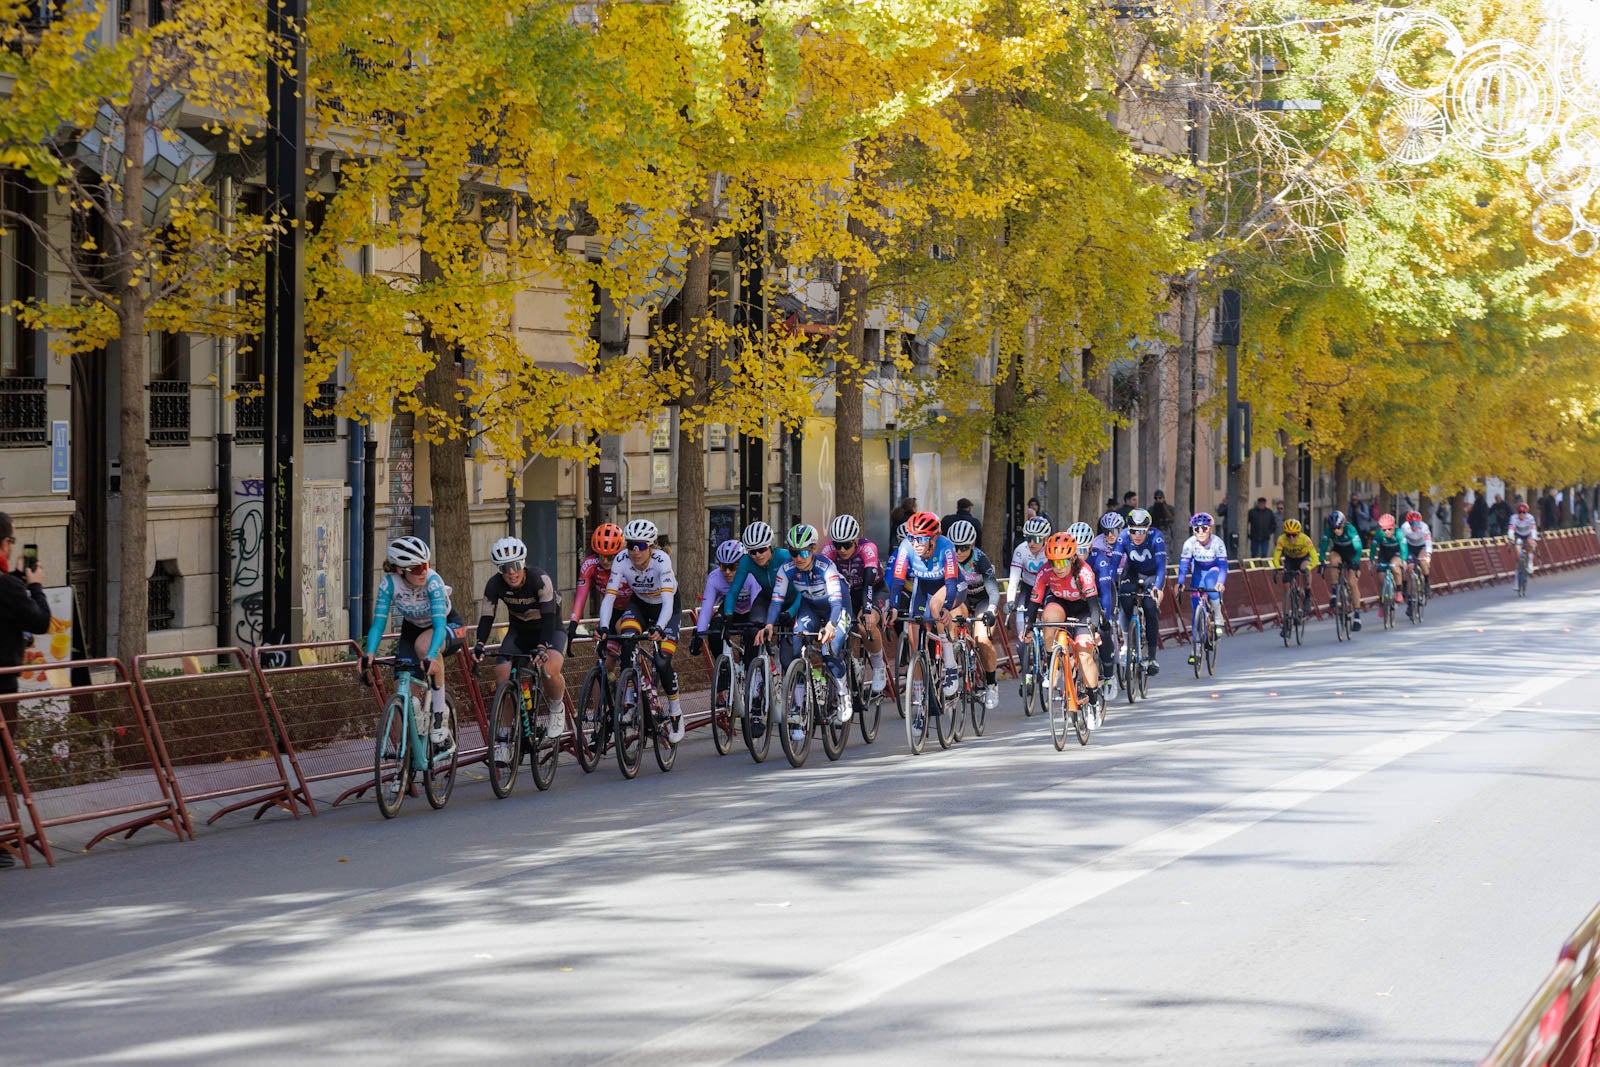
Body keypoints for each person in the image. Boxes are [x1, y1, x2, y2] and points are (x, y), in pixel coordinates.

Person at [361, 535, 463, 759]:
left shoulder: (433, 581)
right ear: (400, 569)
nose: (423, 571)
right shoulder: (390, 583)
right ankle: (404, 759)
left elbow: (438, 626)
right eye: (416, 568)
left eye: (425, 565)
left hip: (446, 626)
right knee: (402, 690)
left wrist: (430, 656)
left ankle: (439, 716)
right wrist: (369, 653)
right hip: (412, 628)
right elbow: (378, 624)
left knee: (425, 645)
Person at [473, 538, 567, 759]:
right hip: (520, 632)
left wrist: (543, 646)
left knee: (549, 670)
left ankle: (556, 707)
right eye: (505, 568)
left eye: (515, 566)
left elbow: (549, 616)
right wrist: (479, 643)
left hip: (549, 629)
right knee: (502, 677)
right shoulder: (494, 584)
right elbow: (487, 617)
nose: (511, 572)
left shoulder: (540, 579)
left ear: (523, 564)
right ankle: (505, 738)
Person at [596, 519, 686, 742]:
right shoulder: (621, 560)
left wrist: (659, 627)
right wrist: (604, 626)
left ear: (652, 546)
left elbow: (667, 602)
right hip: (640, 605)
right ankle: (628, 698)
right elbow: (609, 597)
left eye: (642, 546)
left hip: (667, 608)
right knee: (626, 638)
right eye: (631, 545)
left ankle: (675, 711)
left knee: (663, 660)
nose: (635, 551)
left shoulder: (661, 560)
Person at [760, 524, 852, 739]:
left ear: (813, 549)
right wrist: (769, 624)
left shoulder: (826, 566)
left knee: (830, 649)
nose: (798, 558)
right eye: (793, 553)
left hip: (837, 605)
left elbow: (837, 602)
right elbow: (776, 601)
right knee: (796, 646)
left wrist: (830, 625)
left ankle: (843, 693)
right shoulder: (787, 569)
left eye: (803, 552)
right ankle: (799, 708)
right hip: (810, 606)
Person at [0, 514, 49, 869]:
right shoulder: (8, 588)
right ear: (3, 544)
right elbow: (39, 621)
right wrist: (35, 585)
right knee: (0, 766)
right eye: (11, 542)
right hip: (1, 690)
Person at [884, 511, 962, 697]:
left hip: (949, 585)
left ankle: (950, 664)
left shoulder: (946, 547)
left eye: (921, 539)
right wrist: (894, 607)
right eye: (912, 538)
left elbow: (951, 582)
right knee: (913, 633)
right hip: (923, 587)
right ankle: (919, 693)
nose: (915, 544)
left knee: (936, 606)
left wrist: (947, 606)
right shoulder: (906, 546)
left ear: (933, 538)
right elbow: (897, 580)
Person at [1029, 530, 1104, 722]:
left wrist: (1093, 629)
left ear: (1072, 559)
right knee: (1049, 618)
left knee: (1084, 653)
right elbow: (1035, 601)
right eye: (1053, 562)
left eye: (1062, 562)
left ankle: (1094, 699)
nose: (1058, 567)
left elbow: (1094, 606)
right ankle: (1051, 664)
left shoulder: (1084, 571)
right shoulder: (1045, 571)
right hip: (1060, 604)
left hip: (1083, 609)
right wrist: (1028, 626)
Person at [820, 514, 887, 692]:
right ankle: (848, 662)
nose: (841, 549)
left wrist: (867, 610)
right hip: (845, 594)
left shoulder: (868, 549)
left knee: (866, 624)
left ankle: (879, 666)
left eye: (847, 544)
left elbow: (868, 584)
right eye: (837, 545)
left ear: (856, 540)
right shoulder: (828, 551)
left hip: (873, 590)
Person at [947, 519, 1001, 710]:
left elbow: (994, 590)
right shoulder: (948, 558)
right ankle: (954, 658)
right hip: (961, 599)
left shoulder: (979, 559)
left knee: (982, 640)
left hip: (982, 600)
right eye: (955, 547)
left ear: (972, 545)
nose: (959, 552)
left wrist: (991, 610)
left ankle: (991, 684)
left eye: (964, 547)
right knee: (951, 621)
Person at [689, 540, 761, 661]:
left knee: (753, 634)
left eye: (732, 567)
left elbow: (757, 605)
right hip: (731, 611)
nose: (727, 572)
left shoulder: (751, 575)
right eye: (723, 566)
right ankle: (723, 666)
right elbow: (706, 608)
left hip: (752, 610)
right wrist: (699, 637)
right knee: (715, 628)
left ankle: (752, 667)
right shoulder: (714, 578)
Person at [1113, 508, 1165, 675]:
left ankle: (1152, 656)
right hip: (1133, 571)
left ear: (1148, 529)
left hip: (1152, 574)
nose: (1137, 535)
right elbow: (1114, 564)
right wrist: (1111, 584)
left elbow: (1162, 566)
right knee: (1124, 598)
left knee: (1150, 607)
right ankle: (1128, 642)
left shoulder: (1156, 537)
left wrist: (1157, 586)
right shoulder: (1123, 537)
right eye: (1133, 530)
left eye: (1141, 531)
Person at [1177, 512, 1229, 664]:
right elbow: (1184, 564)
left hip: (1214, 570)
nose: (1200, 532)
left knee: (1210, 584)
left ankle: (1218, 617)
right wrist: (1180, 582)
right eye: (1196, 529)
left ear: (1210, 529)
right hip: (1198, 571)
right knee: (1195, 614)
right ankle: (1195, 650)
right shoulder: (1189, 543)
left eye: (1204, 528)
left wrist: (1221, 582)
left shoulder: (1217, 543)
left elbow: (1223, 566)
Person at [1006, 515, 1052, 643]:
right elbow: (1014, 580)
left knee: (1050, 620)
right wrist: (1010, 601)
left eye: (1036, 539)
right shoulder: (1021, 550)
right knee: (1021, 627)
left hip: (1049, 588)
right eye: (1028, 538)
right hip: (1028, 588)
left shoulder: (1051, 549)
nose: (1031, 543)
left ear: (1045, 539)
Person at [1269, 518, 1319, 638]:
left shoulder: (1305, 539)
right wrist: (1277, 568)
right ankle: (1286, 623)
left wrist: (1309, 568)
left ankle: (1307, 596)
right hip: (1290, 560)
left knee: (1305, 567)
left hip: (1303, 558)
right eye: (1288, 535)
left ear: (1298, 533)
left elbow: (1315, 558)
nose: (1291, 538)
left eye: (1294, 535)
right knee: (1286, 588)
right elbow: (1276, 557)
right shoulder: (1281, 539)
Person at [1318, 509, 1365, 631]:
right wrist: (1322, 561)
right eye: (1333, 528)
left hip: (1352, 553)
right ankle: (1334, 593)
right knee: (1333, 562)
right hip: (1338, 551)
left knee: (1352, 583)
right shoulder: (1330, 531)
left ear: (1343, 524)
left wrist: (1355, 560)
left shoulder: (1351, 530)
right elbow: (1323, 546)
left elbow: (1359, 547)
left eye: (1338, 528)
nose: (1336, 531)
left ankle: (1357, 616)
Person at [1366, 514, 1409, 606]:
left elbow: (1404, 548)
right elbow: (1373, 547)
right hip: (1384, 554)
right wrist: (1371, 560)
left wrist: (1404, 560)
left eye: (1389, 529)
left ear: (1393, 527)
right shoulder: (1379, 534)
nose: (1387, 532)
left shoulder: (1399, 533)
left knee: (1394, 566)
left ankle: (1398, 592)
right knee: (1381, 576)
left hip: (1396, 553)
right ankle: (1382, 600)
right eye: (1384, 529)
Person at [1398, 511, 1433, 616]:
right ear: (1408, 523)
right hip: (1410, 548)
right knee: (1408, 569)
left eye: (1417, 524)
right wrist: (1403, 557)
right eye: (1412, 524)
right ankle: (1409, 601)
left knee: (1422, 562)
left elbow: (1428, 543)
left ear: (1420, 522)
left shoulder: (1424, 527)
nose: (1415, 527)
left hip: (1422, 547)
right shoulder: (1404, 528)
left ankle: (1426, 583)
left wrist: (1428, 555)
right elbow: (1401, 543)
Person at [1509, 502, 1540, 575]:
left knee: (1530, 544)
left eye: (1524, 512)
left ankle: (1530, 560)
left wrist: (1534, 539)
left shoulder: (1530, 518)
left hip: (1528, 534)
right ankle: (1520, 563)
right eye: (1520, 512)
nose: (1522, 514)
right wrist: (1510, 539)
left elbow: (1533, 529)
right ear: (1517, 513)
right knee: (1517, 548)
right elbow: (1511, 530)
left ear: (1526, 513)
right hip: (1518, 535)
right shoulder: (1513, 518)